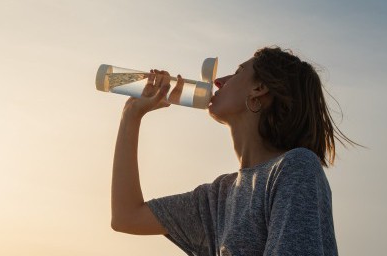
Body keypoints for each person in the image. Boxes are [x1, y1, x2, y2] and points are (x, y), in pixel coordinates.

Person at [110, 46, 357, 256]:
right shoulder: (220, 195)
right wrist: (131, 115)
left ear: (259, 88)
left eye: (238, 72)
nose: (218, 82)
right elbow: (127, 216)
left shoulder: (295, 168)